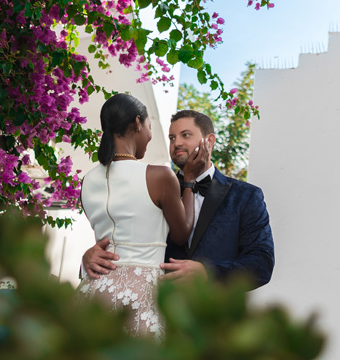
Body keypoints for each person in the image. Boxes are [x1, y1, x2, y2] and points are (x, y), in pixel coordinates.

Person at [82, 109, 275, 291]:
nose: (177, 143)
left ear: (209, 140)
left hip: (216, 318)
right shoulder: (153, 187)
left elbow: (262, 263)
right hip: (155, 311)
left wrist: (208, 272)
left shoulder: (247, 196)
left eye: (186, 135)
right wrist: (88, 258)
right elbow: (124, 240)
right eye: (172, 138)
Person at [76, 94, 206, 338]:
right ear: (137, 123)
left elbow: (107, 238)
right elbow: (182, 233)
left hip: (94, 291)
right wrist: (188, 181)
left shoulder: (87, 181)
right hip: (140, 295)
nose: (150, 135)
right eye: (149, 126)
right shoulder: (159, 176)